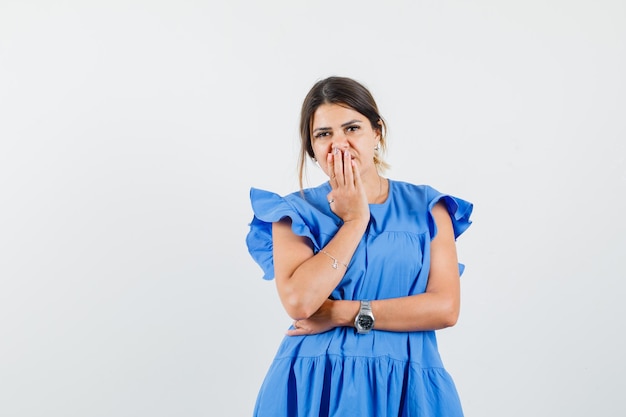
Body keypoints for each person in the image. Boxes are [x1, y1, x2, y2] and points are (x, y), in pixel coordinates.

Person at [245, 76, 473, 416]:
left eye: (352, 128)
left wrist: (340, 314)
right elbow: (301, 302)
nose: (339, 144)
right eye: (324, 134)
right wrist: (354, 222)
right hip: (316, 382)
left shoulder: (427, 207)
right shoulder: (293, 212)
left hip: (409, 385)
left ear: (377, 132)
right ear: (311, 148)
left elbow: (445, 309)